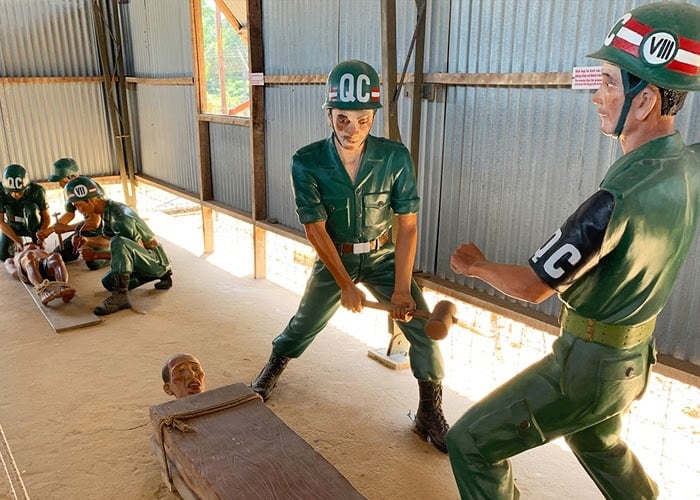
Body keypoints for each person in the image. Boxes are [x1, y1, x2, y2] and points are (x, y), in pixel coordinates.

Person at [446, 3, 700, 499]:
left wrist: (473, 265)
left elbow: (531, 286)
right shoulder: (686, 166)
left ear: (645, 100)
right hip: (634, 360)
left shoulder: (617, 198)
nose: (595, 96)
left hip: (587, 367)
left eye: (607, 83)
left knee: (471, 442)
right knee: (600, 443)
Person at [251, 59, 449, 453]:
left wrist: (402, 289)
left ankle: (429, 412)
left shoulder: (394, 158)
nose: (352, 130)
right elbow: (314, 228)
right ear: (329, 114)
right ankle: (274, 367)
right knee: (305, 322)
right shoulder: (305, 161)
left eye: (362, 120)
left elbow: (407, 226)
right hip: (334, 257)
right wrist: (344, 284)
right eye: (343, 119)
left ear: (372, 117)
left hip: (383, 256)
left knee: (422, 332)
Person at [64, 176, 173, 315]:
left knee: (118, 242)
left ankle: (121, 296)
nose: (79, 210)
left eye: (79, 205)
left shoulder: (121, 217)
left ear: (90, 200)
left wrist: (96, 255)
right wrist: (87, 241)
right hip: (146, 257)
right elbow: (106, 239)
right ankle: (163, 274)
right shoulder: (107, 211)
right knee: (108, 283)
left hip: (155, 258)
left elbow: (129, 251)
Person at [37, 157, 110, 269]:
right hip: (85, 230)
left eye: (61, 180)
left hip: (102, 232)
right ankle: (85, 244)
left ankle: (112, 250)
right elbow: (70, 214)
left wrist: (66, 228)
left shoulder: (90, 188)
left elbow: (94, 223)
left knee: (93, 263)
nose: (60, 184)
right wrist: (50, 230)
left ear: (71, 176)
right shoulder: (70, 189)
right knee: (58, 255)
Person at [0, 164, 50, 261]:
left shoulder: (37, 191)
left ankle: (35, 239)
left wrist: (42, 233)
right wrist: (17, 240)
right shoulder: (0, 191)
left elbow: (46, 217)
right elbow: (1, 222)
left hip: (33, 225)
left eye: (20, 191)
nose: (16, 194)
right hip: (12, 225)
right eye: (12, 192)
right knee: (3, 256)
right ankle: (15, 239)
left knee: (31, 207)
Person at [4, 242, 76, 305]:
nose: (30, 244)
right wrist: (27, 275)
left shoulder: (43, 252)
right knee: (29, 255)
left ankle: (64, 287)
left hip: (44, 266)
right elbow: (13, 271)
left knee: (56, 256)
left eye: (33, 243)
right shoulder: (16, 257)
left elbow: (57, 262)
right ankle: (42, 292)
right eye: (27, 244)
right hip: (28, 269)